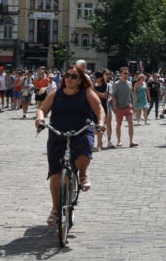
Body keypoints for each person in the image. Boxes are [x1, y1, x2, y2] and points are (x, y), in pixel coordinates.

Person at [35, 63, 106, 227]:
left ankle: (82, 174)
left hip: (81, 130)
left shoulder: (87, 92)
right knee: (55, 174)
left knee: (83, 149)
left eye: (74, 76)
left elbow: (99, 110)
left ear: (81, 79)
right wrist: (40, 119)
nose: (69, 79)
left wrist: (100, 123)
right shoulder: (55, 93)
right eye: (67, 75)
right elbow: (43, 109)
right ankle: (55, 209)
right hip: (57, 132)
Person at [111, 67, 138, 147]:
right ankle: (119, 141)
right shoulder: (116, 84)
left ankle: (131, 141)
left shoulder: (129, 83)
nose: (126, 75)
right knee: (119, 124)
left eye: (127, 73)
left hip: (128, 106)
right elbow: (113, 96)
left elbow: (131, 95)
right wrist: (114, 105)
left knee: (131, 122)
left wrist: (133, 106)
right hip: (119, 107)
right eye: (124, 73)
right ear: (120, 74)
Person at [92, 72, 108, 151]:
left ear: (101, 78)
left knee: (100, 126)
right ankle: (97, 142)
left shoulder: (105, 85)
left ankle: (99, 144)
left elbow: (104, 96)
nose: (95, 79)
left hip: (103, 108)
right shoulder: (93, 85)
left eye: (96, 77)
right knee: (95, 127)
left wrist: (95, 91)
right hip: (94, 108)